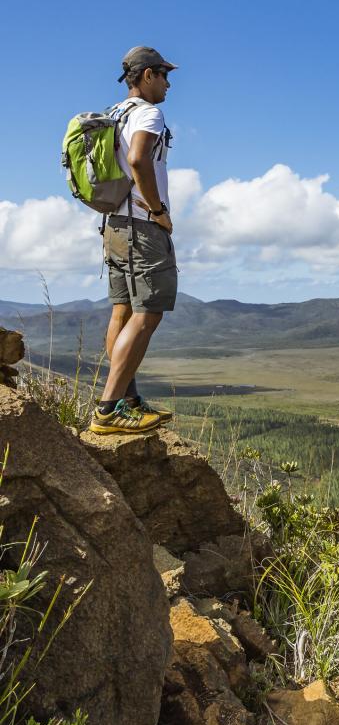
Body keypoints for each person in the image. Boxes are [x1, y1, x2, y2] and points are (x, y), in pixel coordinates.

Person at [89, 45, 178, 435]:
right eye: (164, 75)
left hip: (113, 227)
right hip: (142, 226)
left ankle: (128, 400)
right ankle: (109, 409)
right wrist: (158, 211)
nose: (168, 84)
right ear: (146, 75)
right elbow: (140, 160)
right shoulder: (147, 113)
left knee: (121, 311)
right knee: (148, 314)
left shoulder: (112, 115)